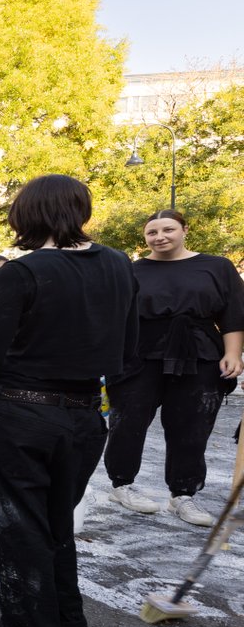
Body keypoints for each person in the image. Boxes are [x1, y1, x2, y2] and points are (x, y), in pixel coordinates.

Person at [0, 174, 138, 627]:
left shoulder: (24, 271)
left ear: (29, 214)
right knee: (55, 523)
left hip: (20, 413)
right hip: (85, 417)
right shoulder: (118, 264)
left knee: (15, 524)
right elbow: (127, 350)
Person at [103, 209, 244, 526]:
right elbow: (114, 318)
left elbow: (233, 314)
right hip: (140, 352)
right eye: (152, 232)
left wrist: (233, 354)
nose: (160, 237)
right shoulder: (132, 270)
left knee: (192, 427)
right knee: (128, 421)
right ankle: (122, 485)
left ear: (184, 230)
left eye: (168, 229)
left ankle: (184, 495)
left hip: (200, 351)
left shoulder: (216, 267)